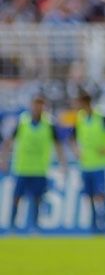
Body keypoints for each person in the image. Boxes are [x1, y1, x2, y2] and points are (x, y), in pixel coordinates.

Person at [0, 93, 67, 232]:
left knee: (37, 199)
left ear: (45, 106)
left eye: (41, 104)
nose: (38, 107)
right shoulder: (22, 122)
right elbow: (9, 142)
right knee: (17, 198)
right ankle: (12, 226)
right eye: (36, 104)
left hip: (40, 169)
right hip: (22, 167)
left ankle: (35, 227)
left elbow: (58, 146)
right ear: (31, 105)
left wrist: (62, 163)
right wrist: (3, 159)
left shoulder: (49, 124)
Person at [70, 91, 105, 233]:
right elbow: (72, 138)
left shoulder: (101, 118)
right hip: (86, 164)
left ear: (85, 103)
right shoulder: (80, 119)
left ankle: (104, 223)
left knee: (101, 195)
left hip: (101, 164)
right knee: (89, 196)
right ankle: (94, 226)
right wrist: (76, 151)